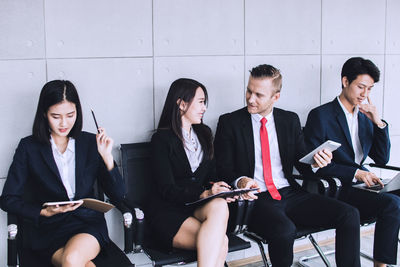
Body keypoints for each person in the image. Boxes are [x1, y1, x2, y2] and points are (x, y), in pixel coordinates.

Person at [214, 64, 362, 267]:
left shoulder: (289, 120)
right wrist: (241, 180)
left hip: (291, 193)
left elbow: (303, 163)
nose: (250, 98)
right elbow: (221, 167)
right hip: (257, 198)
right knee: (284, 230)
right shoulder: (229, 122)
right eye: (249, 90)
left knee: (349, 214)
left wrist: (316, 162)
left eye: (259, 94)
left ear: (276, 97)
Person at [0, 80, 125, 267]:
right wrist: (43, 211)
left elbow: (119, 194)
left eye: (70, 115)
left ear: (78, 112)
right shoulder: (29, 147)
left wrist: (107, 158)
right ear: (44, 114)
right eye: (56, 116)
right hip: (49, 230)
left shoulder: (91, 143)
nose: (64, 123)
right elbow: (8, 199)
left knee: (72, 260)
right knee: (79, 263)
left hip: (87, 225)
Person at [304, 57, 400, 267]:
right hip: (335, 186)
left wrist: (379, 123)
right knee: (391, 204)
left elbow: (382, 158)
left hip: (361, 185)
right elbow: (313, 166)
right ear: (345, 81)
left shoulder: (365, 117)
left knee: (396, 198)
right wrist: (357, 174)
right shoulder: (321, 115)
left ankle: (381, 264)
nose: (365, 94)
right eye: (361, 87)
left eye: (370, 89)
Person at [143, 78, 234, 267]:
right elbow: (166, 189)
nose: (204, 108)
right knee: (221, 242)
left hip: (195, 206)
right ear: (182, 104)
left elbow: (212, 177)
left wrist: (222, 189)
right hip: (167, 211)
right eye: (200, 102)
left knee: (220, 205)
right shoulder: (161, 140)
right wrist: (204, 193)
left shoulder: (204, 134)